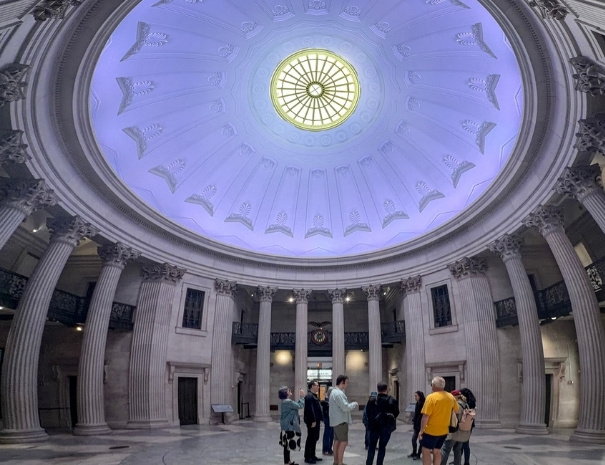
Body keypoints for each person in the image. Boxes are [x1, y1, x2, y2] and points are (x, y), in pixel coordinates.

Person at [417, 377, 458, 465]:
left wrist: (421, 431)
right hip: (444, 430)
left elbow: (425, 416)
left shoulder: (431, 397)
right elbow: (456, 410)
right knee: (437, 450)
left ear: (434, 386)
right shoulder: (451, 397)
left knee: (426, 451)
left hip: (431, 430)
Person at [364, 381, 400, 465]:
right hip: (386, 427)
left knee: (372, 447)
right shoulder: (392, 400)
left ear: (377, 389)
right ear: (387, 389)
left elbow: (368, 412)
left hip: (374, 427)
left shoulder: (372, 400)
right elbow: (396, 413)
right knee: (382, 447)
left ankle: (368, 463)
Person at [329, 375, 359, 465]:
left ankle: (336, 461)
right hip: (340, 422)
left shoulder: (334, 392)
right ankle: (340, 463)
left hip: (336, 421)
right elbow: (345, 407)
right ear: (342, 382)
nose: (347, 385)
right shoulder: (338, 393)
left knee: (337, 441)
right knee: (344, 442)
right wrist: (354, 404)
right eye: (346, 383)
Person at [440, 390, 471, 465]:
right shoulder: (466, 405)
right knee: (458, 451)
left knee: (445, 450)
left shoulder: (455, 405)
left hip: (453, 433)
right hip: (462, 433)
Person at [279, 386, 306, 465]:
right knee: (287, 445)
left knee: (286, 446)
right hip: (289, 427)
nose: (290, 391)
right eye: (289, 390)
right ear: (286, 393)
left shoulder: (286, 401)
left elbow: (296, 405)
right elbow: (299, 406)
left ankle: (287, 461)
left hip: (286, 426)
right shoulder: (287, 401)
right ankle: (287, 462)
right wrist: (302, 396)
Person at [304, 380, 323, 464]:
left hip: (316, 420)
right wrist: (313, 420)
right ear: (312, 386)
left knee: (314, 438)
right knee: (311, 438)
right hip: (313, 421)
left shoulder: (313, 396)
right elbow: (310, 410)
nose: (318, 387)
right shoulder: (309, 396)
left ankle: (313, 455)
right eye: (317, 385)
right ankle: (308, 457)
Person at [459, 388, 476, 465]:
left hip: (467, 423)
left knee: (465, 443)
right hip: (469, 424)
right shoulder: (472, 402)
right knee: (462, 443)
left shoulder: (469, 403)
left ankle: (466, 462)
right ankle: (459, 459)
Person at [408, 390, 426, 460]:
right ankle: (414, 452)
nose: (415, 397)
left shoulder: (424, 404)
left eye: (416, 396)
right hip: (416, 425)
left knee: (421, 441)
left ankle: (418, 454)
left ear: (420, 396)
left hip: (421, 425)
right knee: (413, 439)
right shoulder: (417, 403)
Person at [321, 387, 334, 456]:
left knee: (331, 434)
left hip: (332, 418)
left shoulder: (333, 400)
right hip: (327, 418)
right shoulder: (325, 400)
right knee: (327, 434)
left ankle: (329, 448)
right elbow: (324, 407)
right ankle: (325, 449)